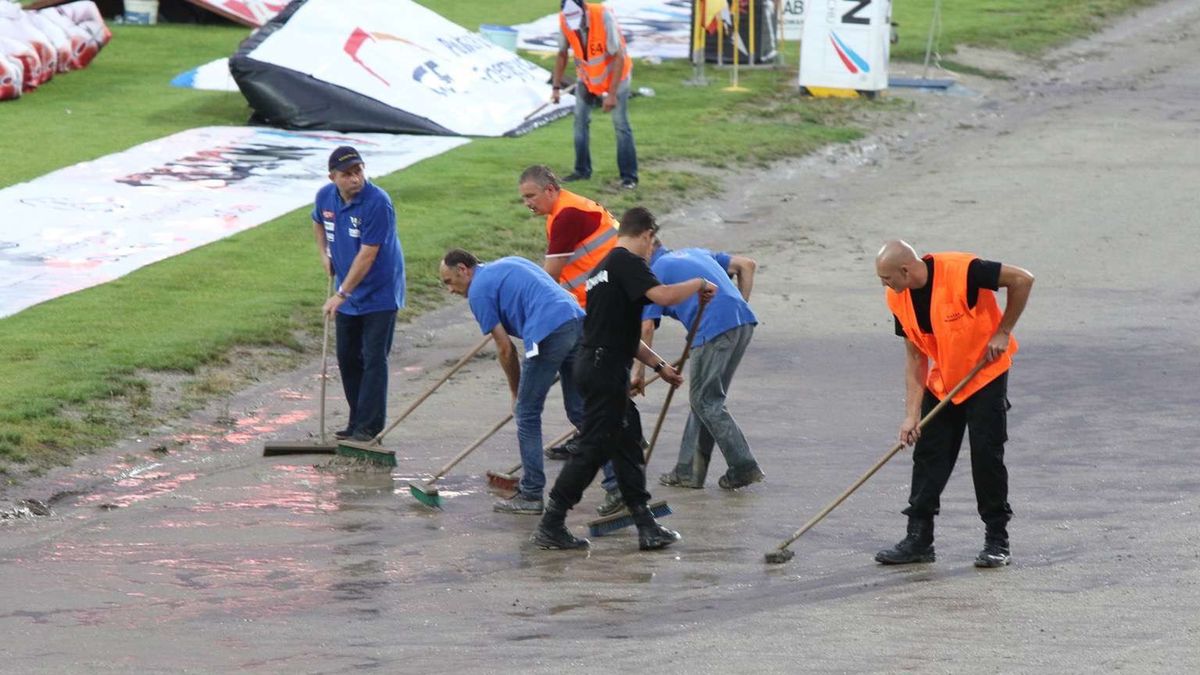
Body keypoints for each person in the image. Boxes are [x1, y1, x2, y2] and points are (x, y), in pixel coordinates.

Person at [532, 207, 716, 552]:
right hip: (604, 367)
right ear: (646, 234)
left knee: (628, 439)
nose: (651, 251)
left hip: (598, 363)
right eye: (652, 243)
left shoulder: (601, 270)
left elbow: (623, 333)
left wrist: (659, 366)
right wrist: (699, 284)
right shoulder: (626, 263)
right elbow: (662, 297)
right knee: (593, 447)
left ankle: (646, 524)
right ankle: (551, 523)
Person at [873, 240, 1034, 568]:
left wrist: (1003, 331)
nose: (884, 285)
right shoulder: (897, 297)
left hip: (984, 376)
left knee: (986, 455)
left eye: (886, 278)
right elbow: (915, 356)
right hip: (945, 380)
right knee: (929, 455)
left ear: (905, 270)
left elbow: (1023, 279)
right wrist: (910, 417)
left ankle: (996, 540)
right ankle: (919, 539)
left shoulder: (964, 271)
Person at [439, 250, 586, 516]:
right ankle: (617, 484)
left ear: (463, 269)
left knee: (527, 414)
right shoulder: (508, 262)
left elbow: (506, 349)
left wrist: (516, 394)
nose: (450, 290)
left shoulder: (478, 292)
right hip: (575, 318)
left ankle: (531, 494)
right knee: (582, 412)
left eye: (449, 281)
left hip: (547, 330)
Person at [517, 165, 623, 510]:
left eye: (531, 196)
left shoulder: (566, 214)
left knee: (588, 396)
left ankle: (620, 452)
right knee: (583, 401)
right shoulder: (567, 210)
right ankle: (615, 470)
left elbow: (550, 278)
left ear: (550, 190)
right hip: (587, 307)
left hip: (589, 310)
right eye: (523, 198)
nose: (527, 204)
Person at [634, 234, 764, 490]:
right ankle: (689, 471)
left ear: (647, 248)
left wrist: (638, 373)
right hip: (743, 322)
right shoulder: (694, 252)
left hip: (714, 329)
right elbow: (747, 265)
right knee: (705, 399)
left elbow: (646, 326)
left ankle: (743, 465)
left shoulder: (655, 271)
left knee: (705, 401)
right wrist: (736, 308)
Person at [311, 146, 405, 441]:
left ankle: (369, 427)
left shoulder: (378, 202)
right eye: (347, 174)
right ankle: (356, 421)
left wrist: (341, 294)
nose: (355, 179)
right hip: (348, 292)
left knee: (373, 357)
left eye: (359, 171)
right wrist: (324, 253)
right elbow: (317, 221)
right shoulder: (325, 196)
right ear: (333, 177)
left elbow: (368, 254)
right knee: (348, 358)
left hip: (379, 292)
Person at [552, 0, 639, 189]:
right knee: (580, 121)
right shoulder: (565, 19)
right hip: (588, 78)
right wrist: (556, 87)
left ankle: (629, 177)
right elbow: (562, 54)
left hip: (618, 76)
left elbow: (618, 56)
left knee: (621, 124)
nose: (577, 26)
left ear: (584, 9)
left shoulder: (603, 15)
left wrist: (612, 94)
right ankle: (582, 170)